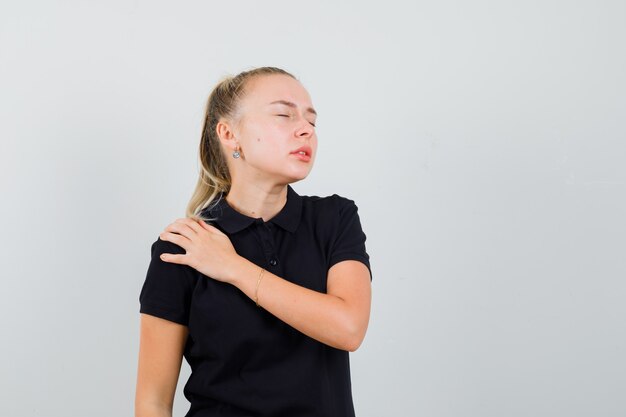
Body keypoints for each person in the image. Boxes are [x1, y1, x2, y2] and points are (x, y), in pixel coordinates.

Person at [135, 66, 373, 417]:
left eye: (312, 121)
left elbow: (348, 328)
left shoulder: (334, 219)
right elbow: (152, 402)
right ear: (230, 134)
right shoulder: (185, 246)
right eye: (283, 115)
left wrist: (232, 267)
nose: (306, 129)